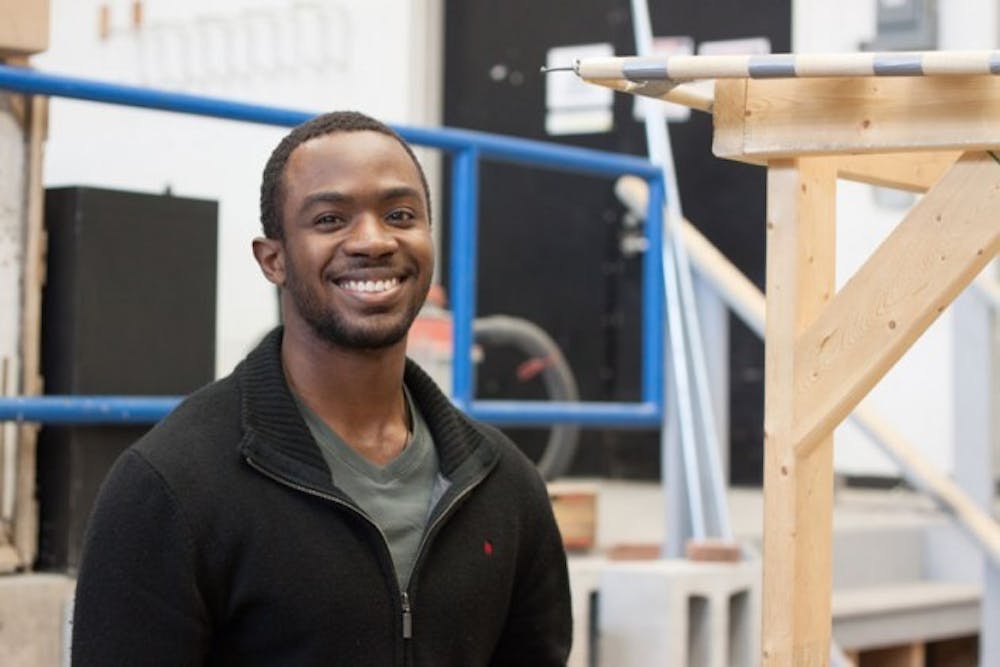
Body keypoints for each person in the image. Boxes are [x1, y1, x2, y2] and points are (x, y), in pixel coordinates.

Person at [71, 111, 573, 666]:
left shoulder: (505, 488)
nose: (373, 240)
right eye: (331, 219)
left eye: (400, 214)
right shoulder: (170, 488)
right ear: (274, 259)